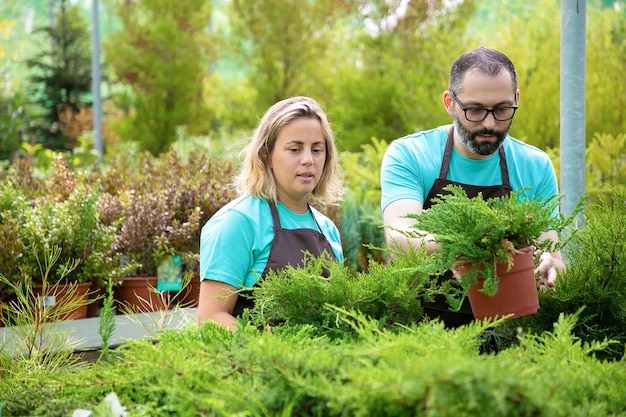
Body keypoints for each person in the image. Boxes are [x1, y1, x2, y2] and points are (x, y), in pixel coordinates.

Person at [380, 46, 563, 327]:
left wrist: (548, 264)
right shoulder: (411, 154)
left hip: (508, 335)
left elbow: (551, 255)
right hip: (417, 335)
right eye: (475, 110)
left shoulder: (534, 165)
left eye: (502, 109)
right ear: (449, 103)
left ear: (516, 99)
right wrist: (467, 246)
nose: (489, 124)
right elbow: (401, 237)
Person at [197, 96, 344, 330]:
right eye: (294, 149)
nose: (308, 160)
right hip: (255, 364)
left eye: (317, 150)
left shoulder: (328, 231)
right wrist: (267, 348)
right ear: (267, 156)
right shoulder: (239, 222)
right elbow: (211, 317)